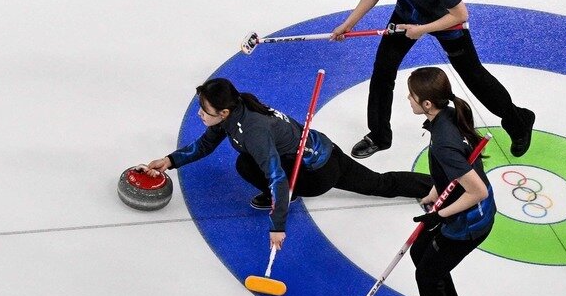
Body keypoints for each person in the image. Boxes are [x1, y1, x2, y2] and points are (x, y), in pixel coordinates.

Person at [141, 78, 431, 253]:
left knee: (246, 164)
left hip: (317, 172)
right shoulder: (236, 112)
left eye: (205, 110)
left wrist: (277, 225)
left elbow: (277, 177)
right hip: (322, 149)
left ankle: (436, 185)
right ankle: (429, 185)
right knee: (377, 183)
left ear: (224, 111)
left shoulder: (252, 130)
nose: (201, 114)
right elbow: (205, 144)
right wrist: (169, 161)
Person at [330, 0, 535, 159]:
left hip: (444, 22)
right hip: (406, 14)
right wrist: (348, 24)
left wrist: (423, 29)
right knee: (383, 70)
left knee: (474, 77)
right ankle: (379, 135)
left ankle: (518, 120)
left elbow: (459, 14)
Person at [397, 66, 496, 296]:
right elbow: (454, 174)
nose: (409, 99)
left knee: (427, 275)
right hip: (463, 211)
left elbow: (478, 191)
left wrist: (439, 215)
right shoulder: (448, 116)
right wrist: (435, 193)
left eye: (412, 96)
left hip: (468, 222)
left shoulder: (444, 142)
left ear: (427, 103)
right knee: (421, 254)